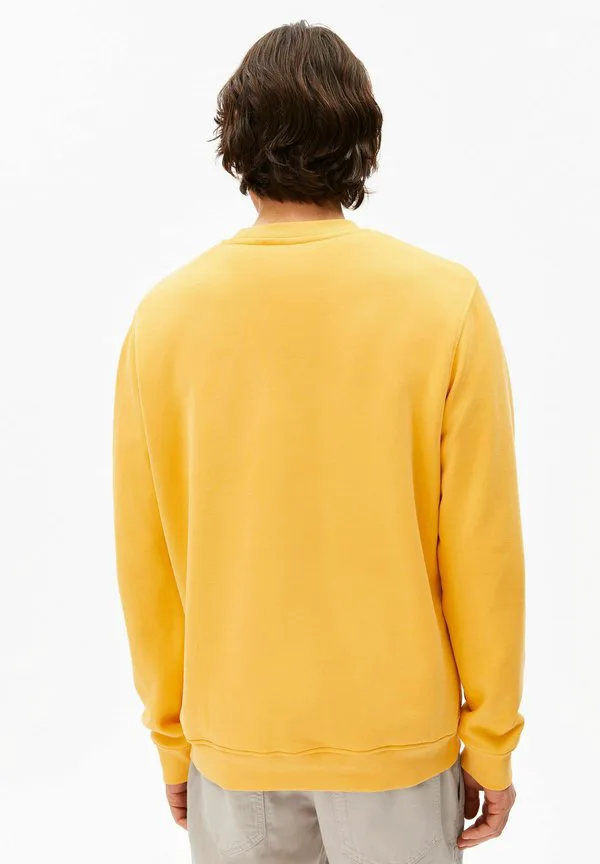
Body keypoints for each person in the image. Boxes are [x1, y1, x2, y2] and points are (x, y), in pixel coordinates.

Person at [113, 20, 525, 863]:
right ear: (361, 142)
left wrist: (174, 739)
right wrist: (489, 742)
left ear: (235, 141)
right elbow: (482, 548)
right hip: (397, 743)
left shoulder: (166, 318)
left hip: (236, 739)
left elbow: (145, 557)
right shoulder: (443, 303)